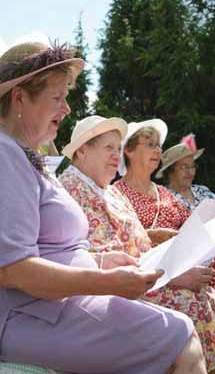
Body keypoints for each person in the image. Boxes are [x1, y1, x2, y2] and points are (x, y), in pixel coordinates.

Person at [0, 42, 204, 374]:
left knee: (179, 330)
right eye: (57, 98)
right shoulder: (5, 154)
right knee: (181, 335)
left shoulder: (25, 157)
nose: (66, 108)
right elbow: (13, 270)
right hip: (31, 315)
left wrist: (100, 261)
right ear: (20, 98)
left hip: (56, 305)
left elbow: (48, 247)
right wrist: (106, 282)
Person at [59, 116, 215, 374]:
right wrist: (171, 275)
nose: (116, 155)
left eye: (117, 147)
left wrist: (173, 257)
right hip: (113, 288)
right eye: (108, 147)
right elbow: (102, 255)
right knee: (194, 303)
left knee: (209, 295)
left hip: (144, 274)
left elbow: (139, 241)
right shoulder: (73, 189)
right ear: (82, 150)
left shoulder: (107, 190)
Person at [114, 119, 215, 374]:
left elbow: (191, 226)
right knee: (214, 286)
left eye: (159, 145)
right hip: (155, 266)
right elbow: (124, 239)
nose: (157, 150)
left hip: (190, 258)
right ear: (129, 151)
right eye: (150, 145)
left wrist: (209, 228)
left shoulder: (166, 195)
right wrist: (158, 238)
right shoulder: (117, 194)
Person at [155, 133, 215, 259]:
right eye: (184, 167)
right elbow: (171, 237)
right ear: (170, 172)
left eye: (192, 167)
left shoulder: (202, 190)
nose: (190, 172)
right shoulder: (165, 197)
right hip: (201, 253)